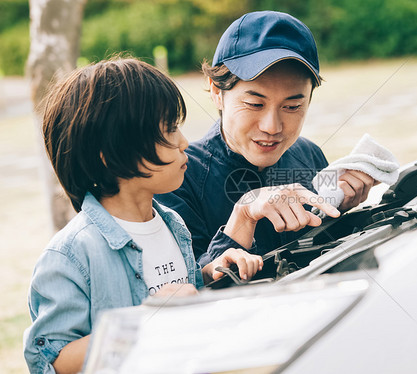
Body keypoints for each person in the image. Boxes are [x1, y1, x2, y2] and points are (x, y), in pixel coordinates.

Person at [23, 57, 263, 373]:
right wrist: (145, 320)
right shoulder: (71, 254)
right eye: (168, 129)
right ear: (109, 153)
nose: (183, 142)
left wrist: (207, 274)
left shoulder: (172, 225)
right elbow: (51, 359)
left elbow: (174, 291)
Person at [156, 11, 376, 266]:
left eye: (292, 107)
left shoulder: (310, 155)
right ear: (217, 93)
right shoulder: (177, 176)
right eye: (254, 104)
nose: (272, 127)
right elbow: (182, 285)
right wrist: (243, 217)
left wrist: (341, 208)